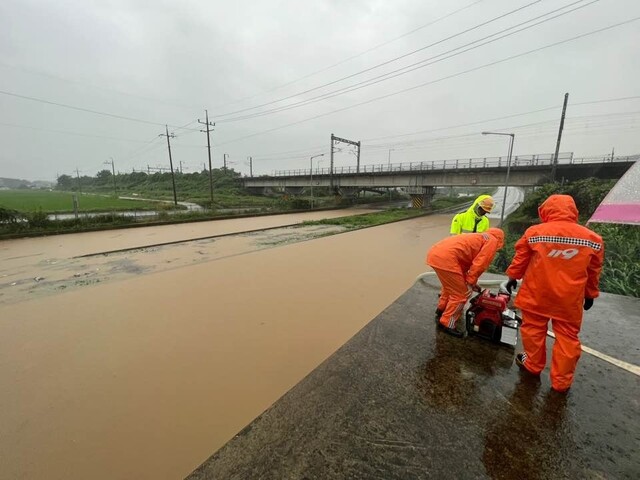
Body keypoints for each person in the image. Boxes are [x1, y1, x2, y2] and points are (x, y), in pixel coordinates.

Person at [505, 194, 604, 393]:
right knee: (568, 338)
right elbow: (593, 271)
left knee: (533, 330)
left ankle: (532, 364)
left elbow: (520, 259)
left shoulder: (535, 232)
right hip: (569, 299)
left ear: (546, 211)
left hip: (536, 294)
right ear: (573, 211)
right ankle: (561, 382)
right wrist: (590, 294)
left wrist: (512, 277)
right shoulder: (593, 239)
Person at [426, 228, 504, 337]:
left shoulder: (479, 237)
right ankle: (447, 322)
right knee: (461, 294)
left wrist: (471, 283)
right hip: (447, 259)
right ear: (500, 240)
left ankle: (441, 309)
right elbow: (480, 264)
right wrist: (469, 283)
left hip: (435, 254)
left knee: (450, 287)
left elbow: (462, 266)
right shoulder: (492, 241)